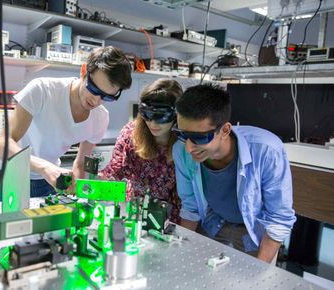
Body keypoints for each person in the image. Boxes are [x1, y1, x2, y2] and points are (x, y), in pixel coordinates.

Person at [172, 84, 296, 263]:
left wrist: (259, 270)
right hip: (213, 223)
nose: (189, 147)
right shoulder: (181, 151)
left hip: (253, 233)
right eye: (182, 134)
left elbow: (279, 218)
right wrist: (180, 252)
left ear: (225, 130)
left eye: (199, 137)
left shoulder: (266, 150)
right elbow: (190, 206)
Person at [0, 46, 132, 198]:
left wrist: (78, 194)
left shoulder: (100, 118)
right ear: (83, 71)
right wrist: (44, 167)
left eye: (107, 97)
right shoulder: (43, 90)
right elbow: (0, 146)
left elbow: (80, 163)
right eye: (93, 89)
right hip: (9, 175)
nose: (96, 100)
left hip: (48, 182)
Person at [100, 78, 182, 223]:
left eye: (160, 117)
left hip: (170, 218)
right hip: (133, 211)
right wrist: (92, 184)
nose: (152, 123)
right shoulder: (130, 134)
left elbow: (190, 199)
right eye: (147, 116)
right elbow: (114, 172)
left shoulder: (185, 143)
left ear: (176, 114)